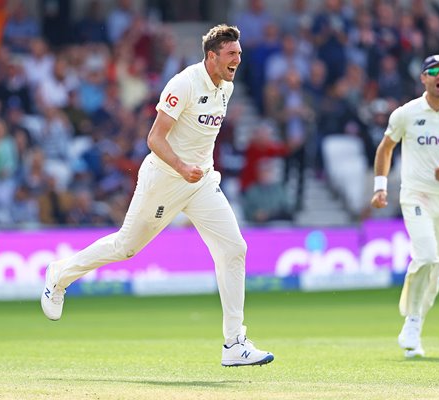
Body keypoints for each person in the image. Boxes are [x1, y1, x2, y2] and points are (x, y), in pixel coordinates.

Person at [41, 24, 274, 367]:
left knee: (234, 248)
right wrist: (181, 167)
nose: (238, 59)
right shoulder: (184, 83)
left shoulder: (227, 85)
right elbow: (154, 138)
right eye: (231, 54)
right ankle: (59, 275)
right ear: (212, 56)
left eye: (238, 54)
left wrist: (194, 170)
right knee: (126, 247)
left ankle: (234, 343)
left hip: (201, 181)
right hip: (165, 179)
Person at [370, 55, 439, 358]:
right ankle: (413, 321)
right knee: (426, 255)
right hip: (416, 194)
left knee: (435, 268)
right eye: (433, 72)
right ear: (424, 79)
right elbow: (386, 148)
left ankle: (414, 322)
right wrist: (380, 189)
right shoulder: (406, 113)